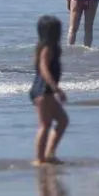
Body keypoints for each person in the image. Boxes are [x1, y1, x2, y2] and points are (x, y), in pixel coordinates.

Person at [29, 15, 68, 165]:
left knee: (63, 120)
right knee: (45, 125)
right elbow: (43, 69)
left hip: (47, 91)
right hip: (43, 90)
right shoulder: (46, 49)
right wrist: (55, 87)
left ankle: (49, 154)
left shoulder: (51, 48)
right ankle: (39, 159)